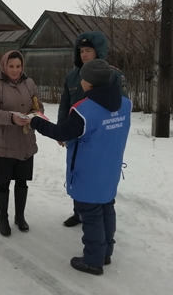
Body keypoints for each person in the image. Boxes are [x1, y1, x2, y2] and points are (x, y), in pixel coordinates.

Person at [28, 59, 131, 275]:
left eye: (83, 78)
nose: (81, 81)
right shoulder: (124, 104)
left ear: (89, 83)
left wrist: (36, 121)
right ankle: (105, 252)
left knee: (91, 214)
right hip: (110, 170)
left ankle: (93, 260)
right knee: (106, 208)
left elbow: (62, 133)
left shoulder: (85, 110)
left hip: (88, 172)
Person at [58, 31, 128, 227]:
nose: (84, 55)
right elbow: (65, 104)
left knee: (98, 174)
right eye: (81, 51)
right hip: (75, 134)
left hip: (99, 137)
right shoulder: (73, 77)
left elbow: (121, 108)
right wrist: (61, 129)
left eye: (88, 50)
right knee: (76, 172)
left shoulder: (113, 75)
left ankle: (99, 215)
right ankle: (78, 211)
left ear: (99, 51)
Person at [0, 50, 44, 237]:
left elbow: (39, 106)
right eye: (11, 66)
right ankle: (3, 219)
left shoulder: (29, 83)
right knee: (3, 183)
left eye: (18, 66)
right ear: (4, 66)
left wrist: (35, 114)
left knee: (22, 181)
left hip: (26, 141)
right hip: (5, 142)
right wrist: (12, 117)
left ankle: (20, 216)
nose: (15, 70)